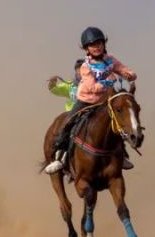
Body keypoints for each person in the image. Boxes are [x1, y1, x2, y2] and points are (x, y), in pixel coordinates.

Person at [44, 27, 137, 174]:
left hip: (105, 101)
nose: (97, 47)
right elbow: (92, 87)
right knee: (68, 122)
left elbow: (122, 69)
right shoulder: (85, 66)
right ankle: (60, 157)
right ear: (87, 48)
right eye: (92, 45)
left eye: (99, 43)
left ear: (104, 44)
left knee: (118, 123)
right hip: (86, 100)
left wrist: (129, 74)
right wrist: (107, 83)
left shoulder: (111, 60)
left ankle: (122, 155)